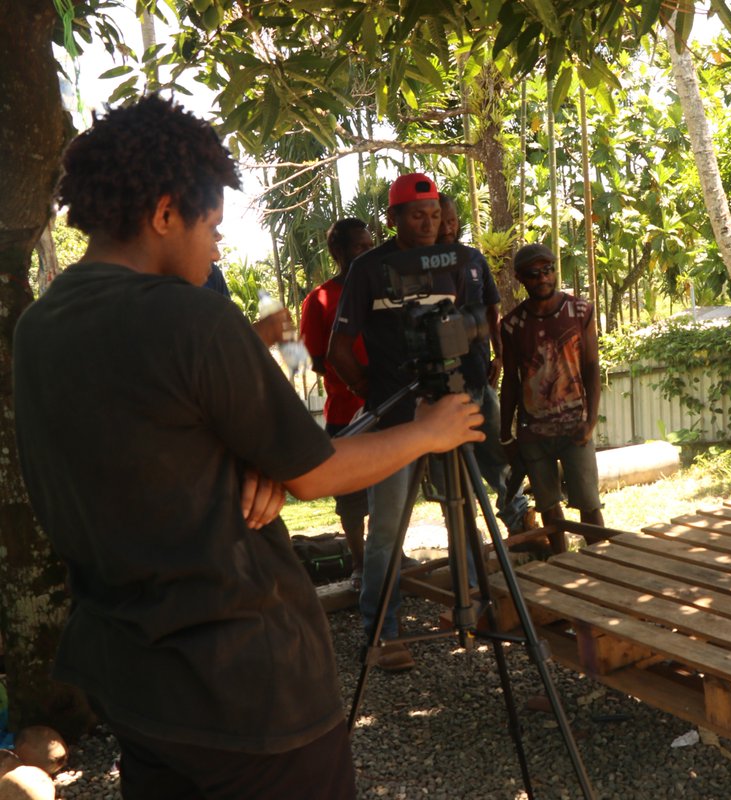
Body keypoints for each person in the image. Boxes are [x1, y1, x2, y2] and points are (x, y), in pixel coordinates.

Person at [12, 95, 484, 800]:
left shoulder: (38, 327)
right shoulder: (187, 314)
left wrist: (249, 461)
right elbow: (317, 471)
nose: (217, 247)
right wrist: (432, 430)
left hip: (134, 679)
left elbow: (143, 448)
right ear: (165, 213)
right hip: (246, 685)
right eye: (211, 226)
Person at [327, 173, 467, 670]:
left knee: (462, 514)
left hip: (448, 412)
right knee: (387, 529)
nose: (429, 225)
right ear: (394, 218)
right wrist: (374, 391)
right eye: (416, 216)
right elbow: (337, 349)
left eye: (434, 216)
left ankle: (467, 610)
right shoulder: (369, 269)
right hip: (394, 419)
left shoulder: (454, 263)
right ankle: (382, 633)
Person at [437, 194, 533, 539]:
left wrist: (500, 356)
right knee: (454, 471)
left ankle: (519, 519)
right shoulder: (419, 267)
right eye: (440, 221)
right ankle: (466, 540)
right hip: (440, 392)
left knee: (497, 451)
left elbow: (493, 312)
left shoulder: (473, 259)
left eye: (451, 220)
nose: (447, 227)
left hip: (479, 376)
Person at [499, 243, 604, 550]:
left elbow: (592, 368)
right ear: (520, 278)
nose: (543, 278)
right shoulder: (511, 325)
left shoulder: (580, 311)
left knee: (589, 506)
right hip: (534, 432)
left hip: (575, 426)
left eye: (548, 270)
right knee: (549, 510)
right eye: (534, 274)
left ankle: (605, 570)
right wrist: (507, 434)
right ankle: (561, 567)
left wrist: (590, 420)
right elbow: (511, 382)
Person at [299, 218, 375, 590]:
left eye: (370, 245)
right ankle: (360, 563)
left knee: (389, 487)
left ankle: (385, 555)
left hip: (386, 407)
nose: (367, 253)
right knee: (351, 497)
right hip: (346, 414)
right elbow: (315, 358)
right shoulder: (319, 299)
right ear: (338, 252)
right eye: (359, 247)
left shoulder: (383, 291)